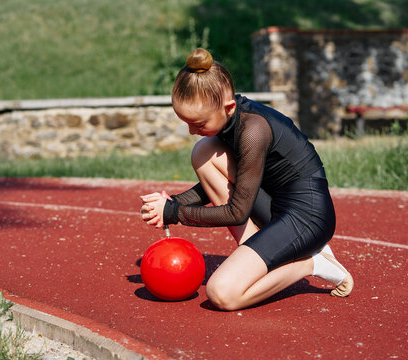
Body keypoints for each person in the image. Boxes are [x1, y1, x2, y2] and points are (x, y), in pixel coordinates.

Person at [140, 48, 353, 311]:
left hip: (307, 217)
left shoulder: (253, 130)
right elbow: (224, 185)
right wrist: (172, 202)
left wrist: (176, 212)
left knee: (222, 294)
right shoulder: (229, 120)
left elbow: (238, 211)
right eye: (186, 122)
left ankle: (314, 263)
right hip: (275, 205)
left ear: (228, 107)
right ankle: (262, 259)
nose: (192, 130)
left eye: (198, 123)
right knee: (204, 151)